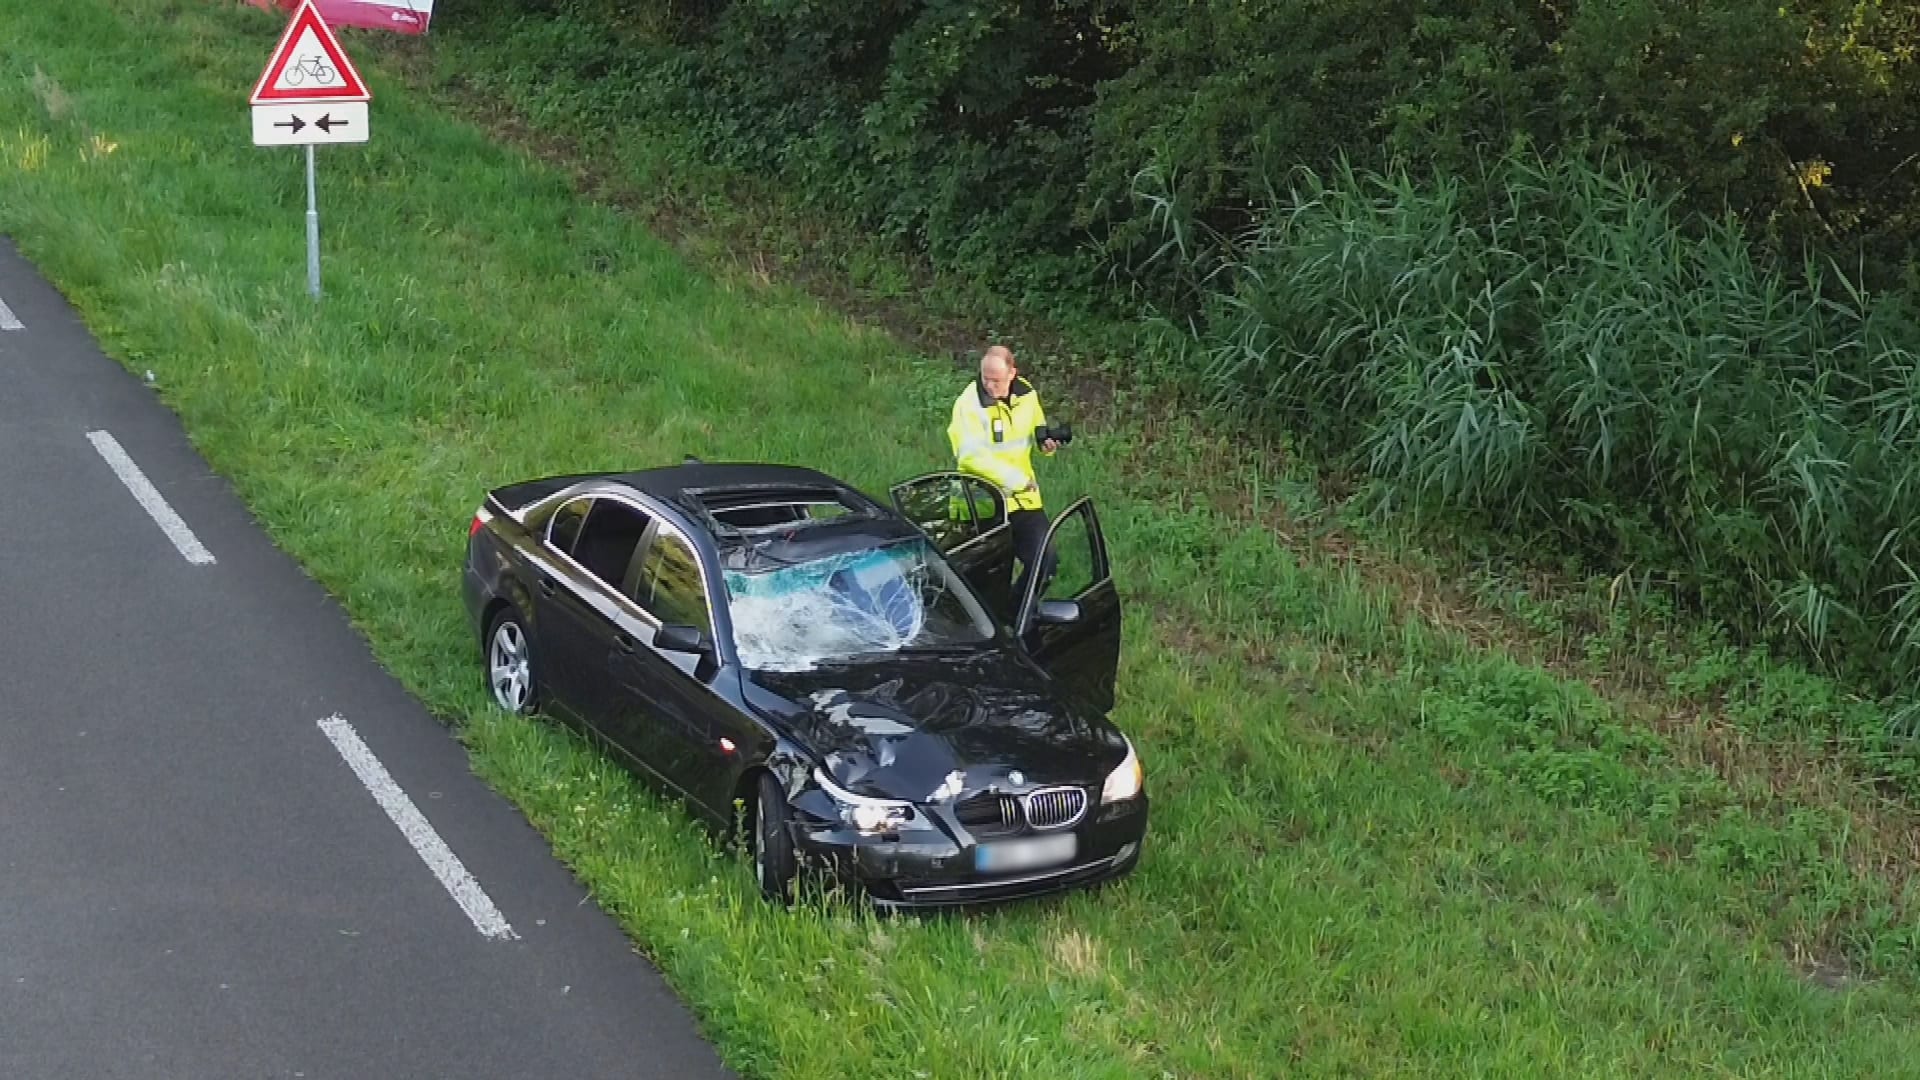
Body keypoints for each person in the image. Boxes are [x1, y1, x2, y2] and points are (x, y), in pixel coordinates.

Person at [947, 345, 1061, 606]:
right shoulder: (968, 404)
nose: (989, 385)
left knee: (1046, 562)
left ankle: (1015, 614)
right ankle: (994, 622)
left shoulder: (1027, 395)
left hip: (1023, 503)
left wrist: (1046, 445)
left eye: (996, 380)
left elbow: (1037, 429)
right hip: (981, 506)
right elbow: (970, 457)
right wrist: (1018, 481)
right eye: (985, 377)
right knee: (983, 584)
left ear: (1012, 374)